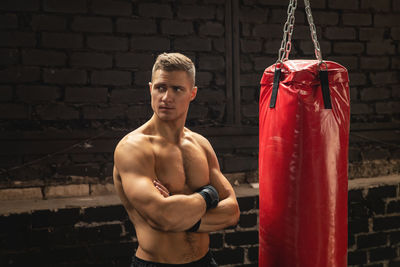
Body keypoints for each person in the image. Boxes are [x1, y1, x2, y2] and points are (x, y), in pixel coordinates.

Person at [113, 52, 240, 267]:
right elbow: (162, 216)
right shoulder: (133, 147)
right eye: (160, 88)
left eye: (177, 89)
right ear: (150, 89)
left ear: (192, 93)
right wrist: (209, 195)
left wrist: (180, 215)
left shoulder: (200, 144)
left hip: (205, 261)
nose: (166, 97)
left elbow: (232, 212)